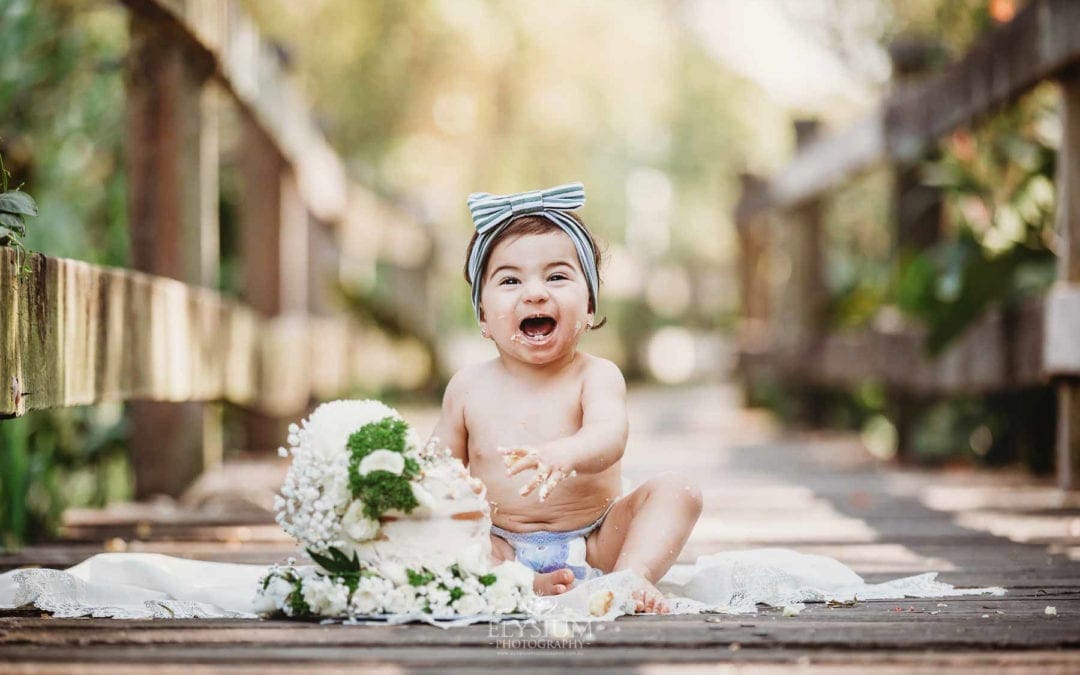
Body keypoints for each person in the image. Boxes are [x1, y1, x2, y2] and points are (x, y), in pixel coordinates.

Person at [429, 182, 704, 614]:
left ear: (590, 305)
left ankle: (630, 578)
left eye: (557, 276)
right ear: (482, 314)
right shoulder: (467, 387)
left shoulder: (596, 376)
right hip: (497, 544)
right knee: (439, 528)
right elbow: (438, 469)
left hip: (595, 542)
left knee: (678, 491)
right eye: (510, 280)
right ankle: (522, 584)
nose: (535, 292)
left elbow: (610, 434)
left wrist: (566, 452)